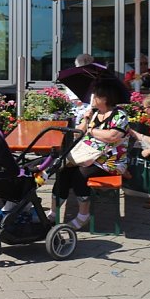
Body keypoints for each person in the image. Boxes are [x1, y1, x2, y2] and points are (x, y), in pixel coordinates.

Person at [49, 79, 131, 229]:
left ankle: (83, 215)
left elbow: (112, 137)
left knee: (80, 174)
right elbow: (79, 132)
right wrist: (86, 120)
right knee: (63, 172)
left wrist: (91, 131)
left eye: (95, 95)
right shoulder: (94, 113)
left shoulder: (120, 116)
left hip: (109, 161)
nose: (92, 98)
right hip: (87, 156)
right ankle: (54, 212)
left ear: (105, 98)